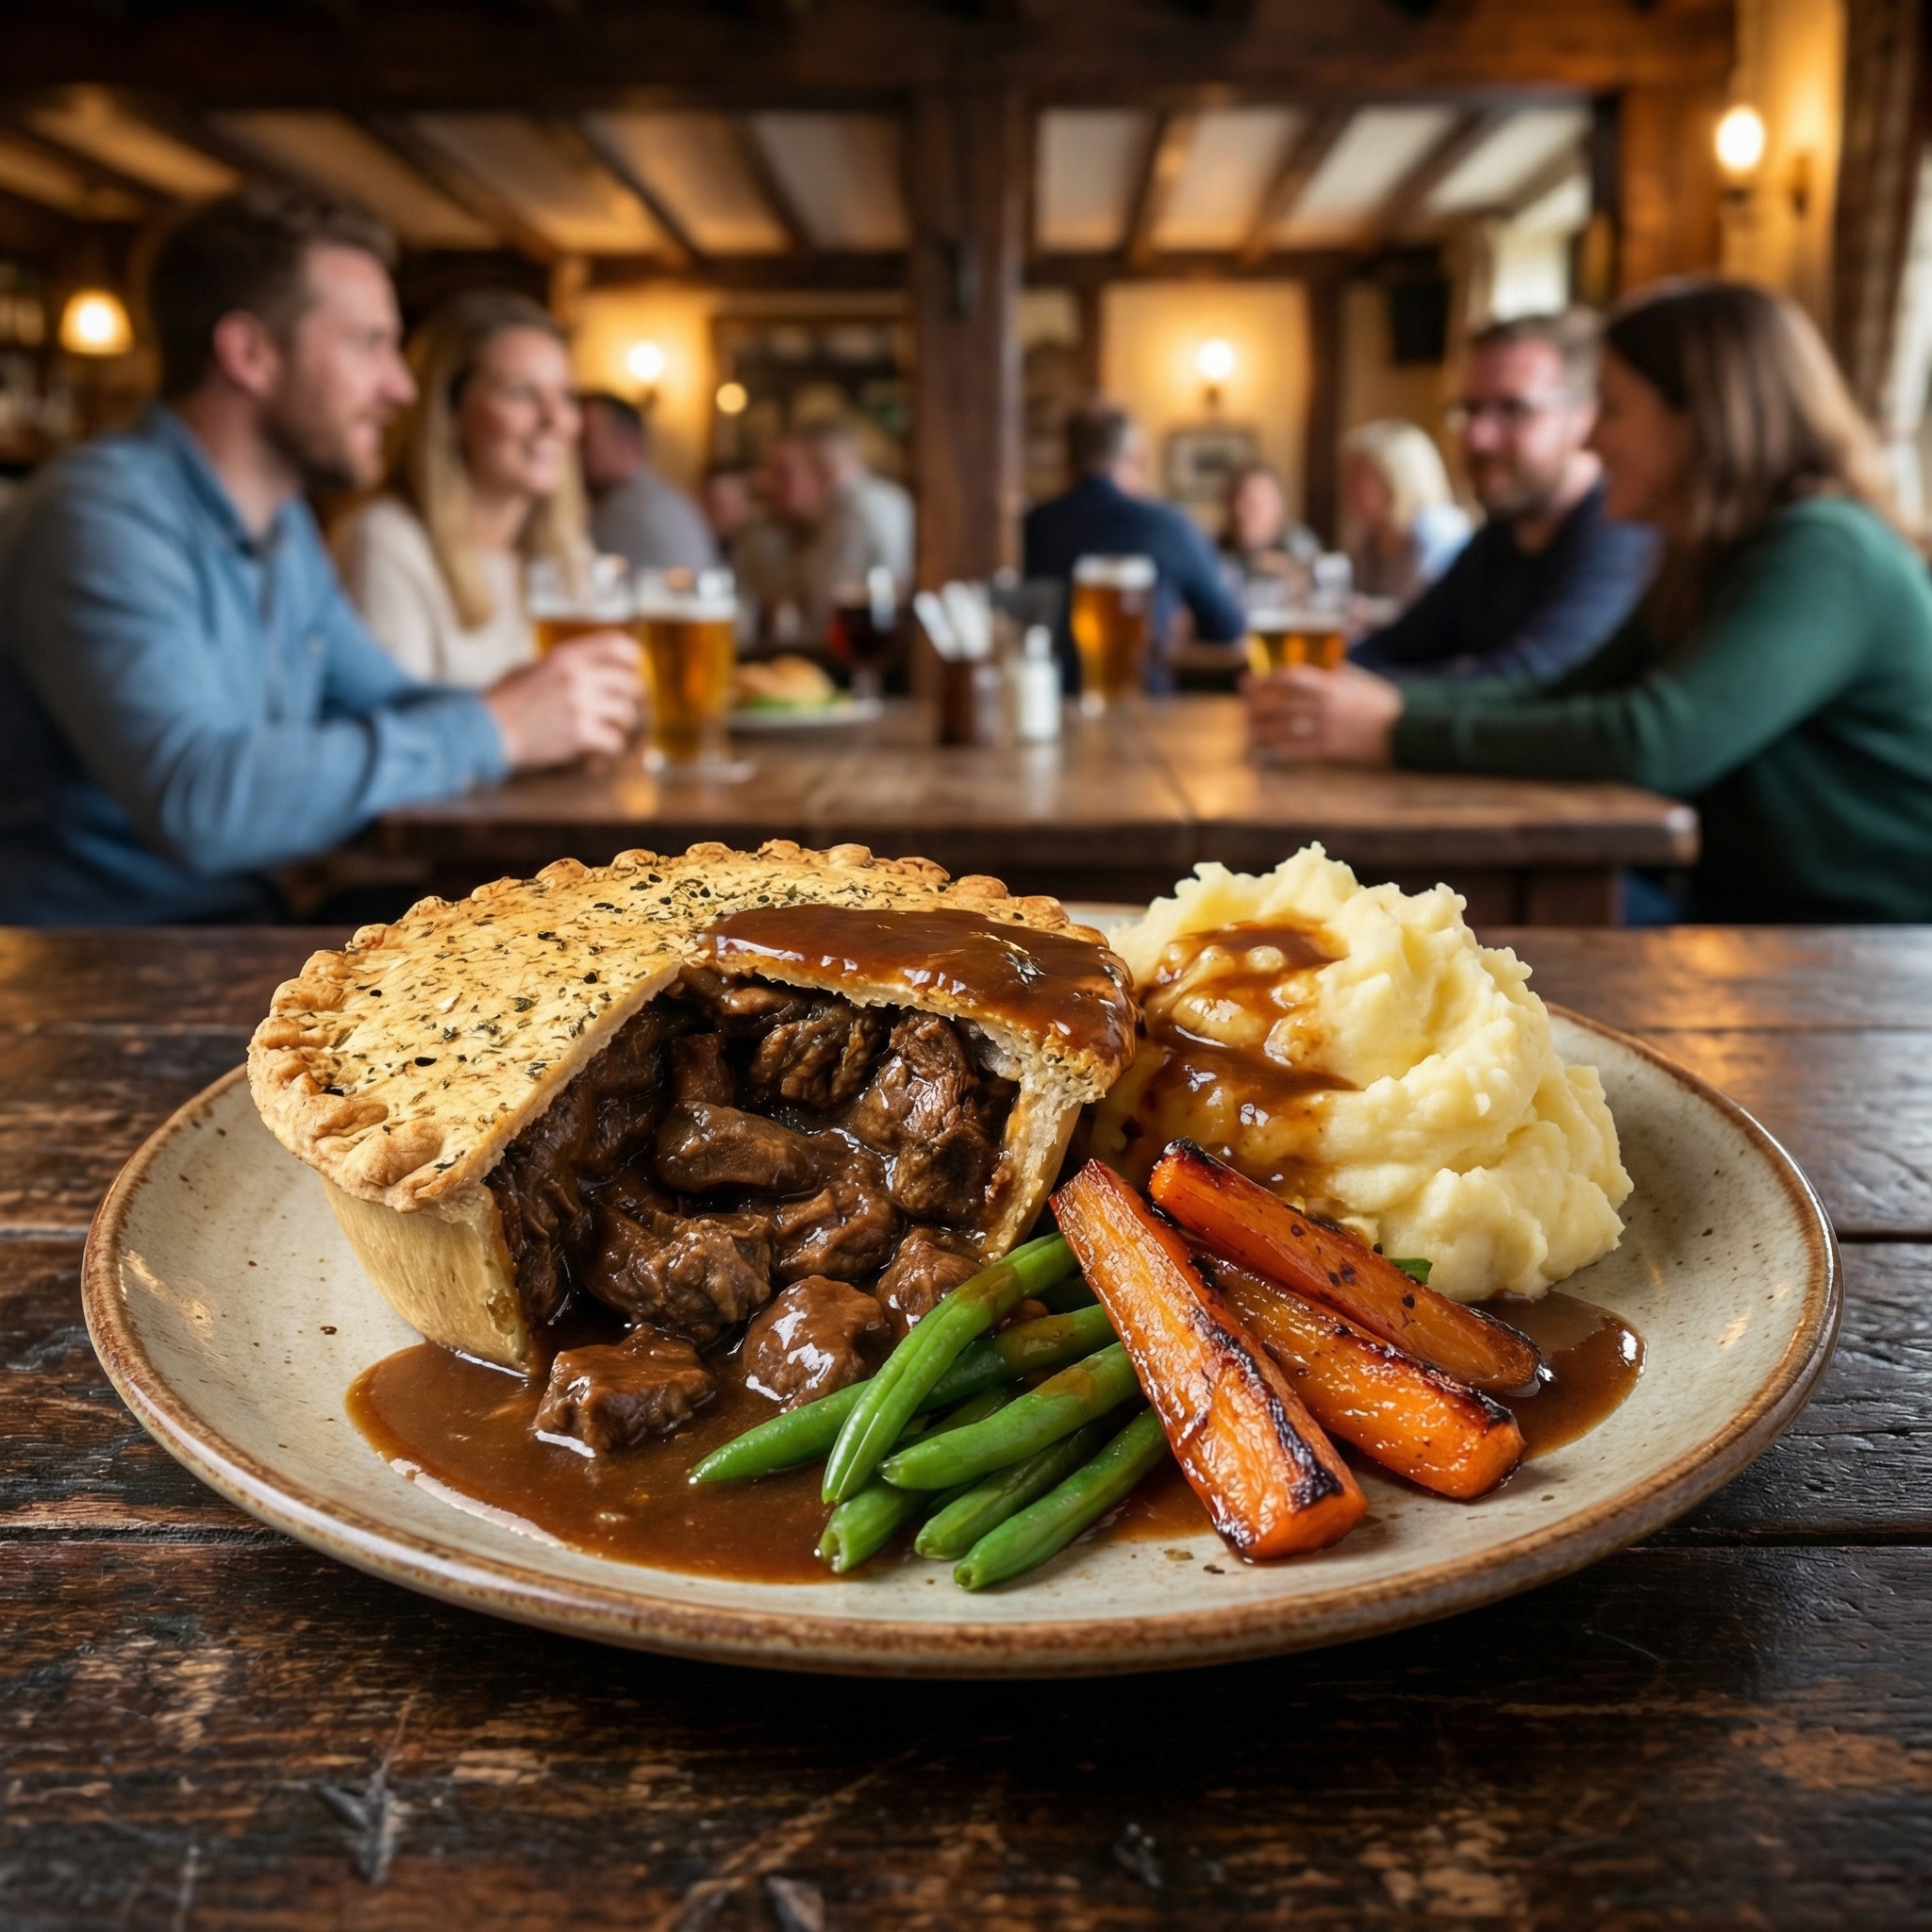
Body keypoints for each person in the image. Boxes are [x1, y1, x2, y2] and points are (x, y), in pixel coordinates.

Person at [0, 190, 639, 926]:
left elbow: (385, 700)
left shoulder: (282, 525)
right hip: (97, 961)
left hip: (232, 924)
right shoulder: (101, 516)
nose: (400, 387)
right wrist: (497, 729)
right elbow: (198, 804)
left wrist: (535, 712)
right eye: (369, 344)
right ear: (250, 354)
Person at [1249, 280, 1932, 924]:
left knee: (1433, 926)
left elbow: (1654, 739)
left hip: (1869, 951)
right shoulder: (1713, 554)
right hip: (1750, 921)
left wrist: (1394, 730)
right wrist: (1388, 710)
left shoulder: (1824, 550)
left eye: (1611, 406)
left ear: (1702, 416)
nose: (1593, 437)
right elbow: (1565, 688)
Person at [1349, 311, 1657, 683]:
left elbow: (1532, 683)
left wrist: (1371, 704)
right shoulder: (1499, 537)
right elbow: (1396, 647)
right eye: (1470, 410)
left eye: (1513, 410)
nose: (1478, 437)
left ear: (1584, 417)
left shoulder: (1620, 529)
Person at [337, 290, 591, 688]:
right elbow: (397, 734)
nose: (555, 419)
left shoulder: (565, 550)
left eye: (566, 396)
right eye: (522, 392)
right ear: (448, 412)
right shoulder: (389, 538)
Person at [1024, 404, 1245, 689]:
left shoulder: (1029, 526)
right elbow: (1227, 629)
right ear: (1136, 458)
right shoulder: (1171, 527)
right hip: (1147, 715)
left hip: (1043, 710)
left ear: (1068, 461)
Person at [578, 389, 717, 575]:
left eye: (585, 441)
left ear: (629, 447)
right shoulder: (666, 499)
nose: (573, 454)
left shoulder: (627, 509)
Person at [1339, 421, 1471, 608]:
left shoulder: (1439, 529)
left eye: (1358, 478)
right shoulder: (1370, 542)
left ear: (1396, 480)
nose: (1347, 490)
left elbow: (1434, 613)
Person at [1219, 460, 1319, 594]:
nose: (1240, 511)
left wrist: (1289, 570)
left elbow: (1317, 583)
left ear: (1276, 507)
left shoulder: (1299, 544)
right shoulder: (1211, 550)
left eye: (1251, 503)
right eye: (1235, 501)